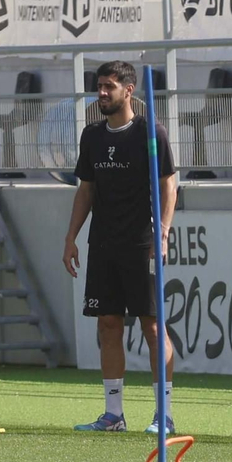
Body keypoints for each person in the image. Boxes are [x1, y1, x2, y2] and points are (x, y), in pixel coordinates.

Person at [63, 61, 178, 434]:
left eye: (109, 86)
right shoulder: (92, 136)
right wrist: (71, 238)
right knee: (108, 324)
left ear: (129, 90)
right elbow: (87, 190)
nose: (101, 93)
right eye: (99, 86)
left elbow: (168, 184)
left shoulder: (150, 132)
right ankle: (114, 415)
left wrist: (162, 232)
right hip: (103, 244)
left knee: (153, 327)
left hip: (141, 243)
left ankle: (164, 415)